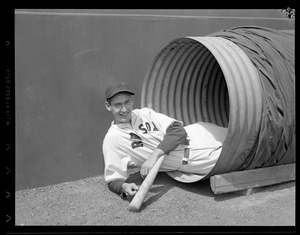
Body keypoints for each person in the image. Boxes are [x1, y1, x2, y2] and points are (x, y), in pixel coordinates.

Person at [103, 81, 228, 200]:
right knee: (241, 154)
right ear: (108, 106)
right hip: (194, 160)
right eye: (118, 105)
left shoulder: (145, 114)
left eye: (127, 102)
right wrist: (124, 187)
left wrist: (154, 155)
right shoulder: (113, 139)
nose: (124, 109)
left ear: (132, 101)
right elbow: (113, 178)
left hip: (198, 133)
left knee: (243, 133)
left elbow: (179, 130)